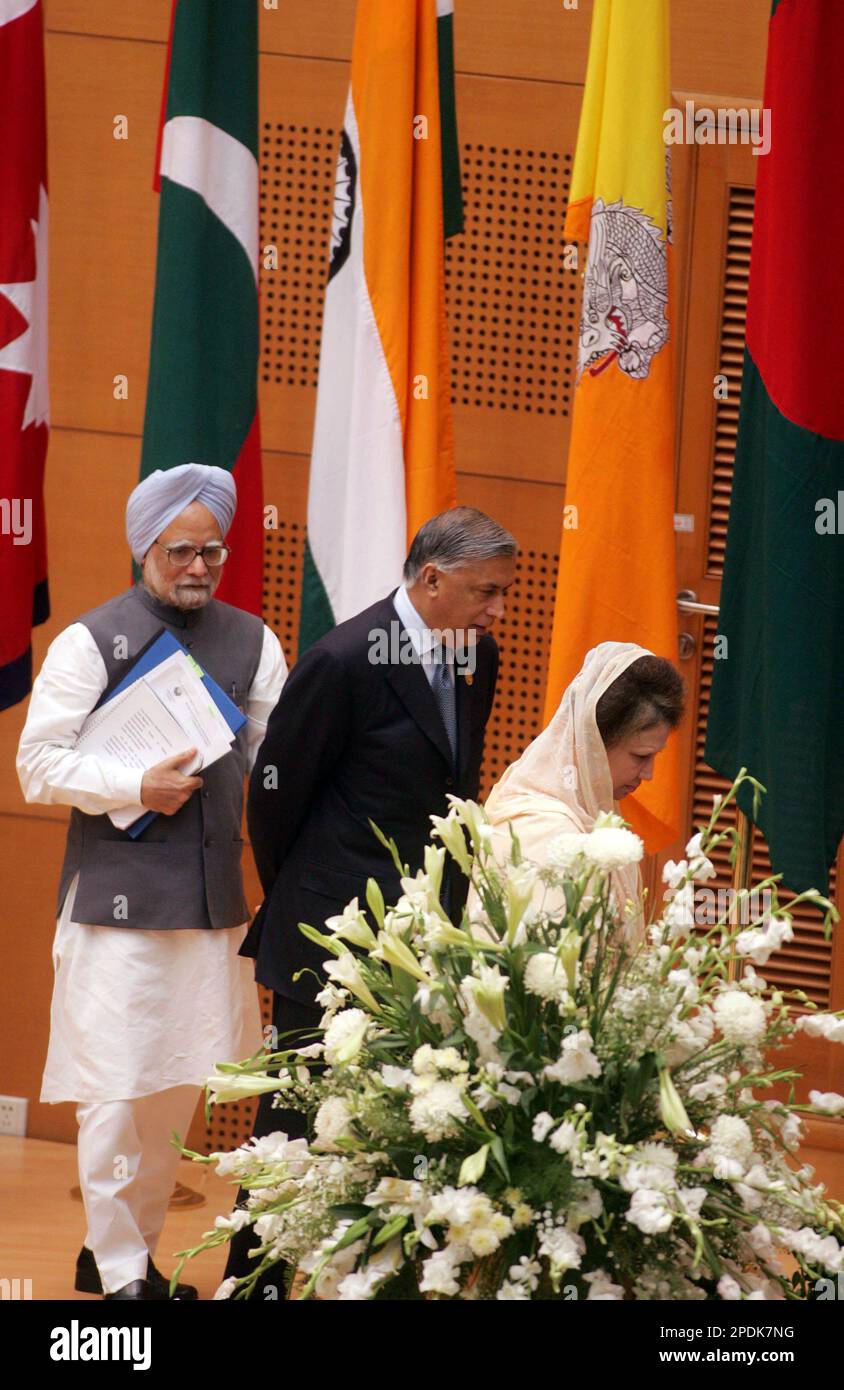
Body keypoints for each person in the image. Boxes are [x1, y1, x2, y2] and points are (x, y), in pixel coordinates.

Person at [224, 505, 517, 1292]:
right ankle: (248, 1285)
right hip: (328, 936)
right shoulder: (344, 659)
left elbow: (452, 793)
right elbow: (276, 795)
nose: (499, 611)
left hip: (422, 942)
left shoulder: (475, 658)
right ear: (431, 580)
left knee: (394, 1129)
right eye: (487, 592)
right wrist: (305, 901)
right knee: (291, 1131)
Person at [16, 463, 287, 1301]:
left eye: (213, 550)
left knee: (175, 1088)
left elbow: (273, 762)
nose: (199, 567)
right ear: (145, 549)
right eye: (181, 552)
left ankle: (123, 1254)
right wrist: (138, 788)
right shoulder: (89, 641)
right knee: (113, 1090)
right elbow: (37, 765)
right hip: (114, 909)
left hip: (208, 909)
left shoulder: (256, 642)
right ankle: (125, 1272)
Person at [479, 641, 685, 935]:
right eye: (640, 756)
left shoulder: (598, 818)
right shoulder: (541, 830)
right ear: (594, 743)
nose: (649, 773)